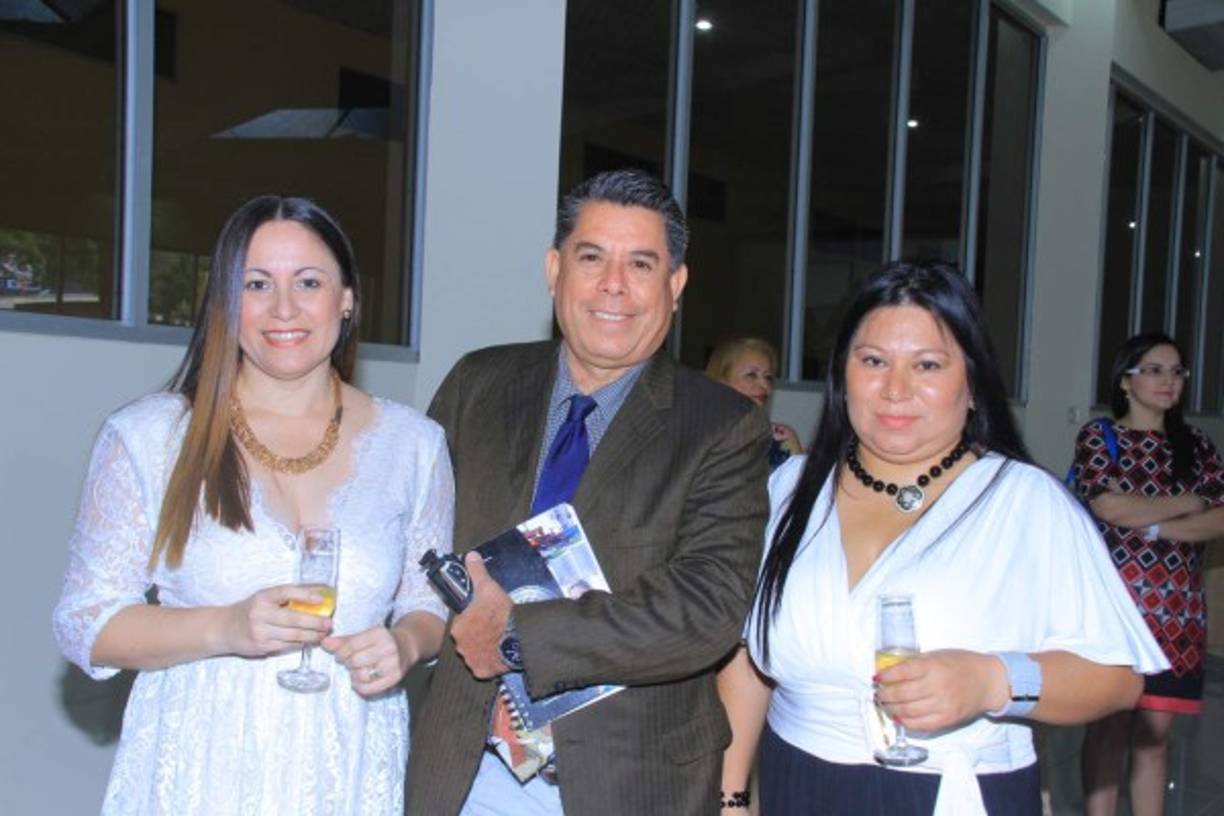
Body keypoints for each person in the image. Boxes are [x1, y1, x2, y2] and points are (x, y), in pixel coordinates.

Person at [718, 260, 1167, 815]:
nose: (895, 389)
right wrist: (733, 796)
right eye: (874, 361)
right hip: (799, 786)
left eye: (927, 365)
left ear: (972, 382)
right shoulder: (789, 490)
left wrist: (992, 679)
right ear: (843, 375)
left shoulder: (1024, 503)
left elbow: (1117, 678)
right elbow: (748, 657)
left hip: (954, 793)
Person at [52, 195, 454, 814]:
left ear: (346, 298)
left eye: (309, 282)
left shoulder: (414, 445)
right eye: (257, 283)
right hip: (198, 765)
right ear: (224, 303)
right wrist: (225, 627)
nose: (284, 308)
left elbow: (429, 604)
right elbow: (88, 624)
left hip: (345, 764)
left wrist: (404, 645)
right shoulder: (150, 436)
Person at [405, 168, 771, 815]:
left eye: (641, 263)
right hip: (464, 771)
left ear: (675, 285)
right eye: (592, 256)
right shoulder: (476, 386)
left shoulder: (723, 426)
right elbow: (416, 545)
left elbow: (705, 611)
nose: (613, 286)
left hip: (627, 783)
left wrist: (519, 635)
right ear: (554, 269)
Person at [1075, 332, 1224, 816]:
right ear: (1125, 380)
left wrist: (1154, 524)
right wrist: (1187, 503)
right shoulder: (1101, 437)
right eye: (1155, 370)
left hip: (1177, 610)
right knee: (1111, 725)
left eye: (1177, 371)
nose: (1169, 381)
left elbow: (1219, 517)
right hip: (1115, 608)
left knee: (1155, 734)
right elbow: (1108, 505)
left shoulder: (1197, 445)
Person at [706, 337, 803, 470]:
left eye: (768, 377)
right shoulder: (698, 437)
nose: (765, 386)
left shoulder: (782, 439)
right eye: (751, 375)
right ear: (721, 382)